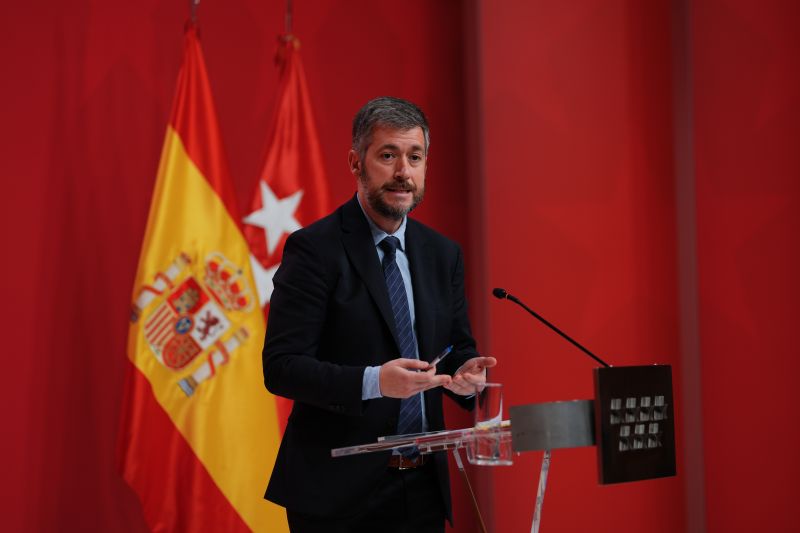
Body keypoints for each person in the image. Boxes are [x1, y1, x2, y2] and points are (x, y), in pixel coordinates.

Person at [262, 96, 496, 533]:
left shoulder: (442, 254)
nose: (403, 171)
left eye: (415, 157)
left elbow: (456, 349)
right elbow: (282, 368)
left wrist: (467, 378)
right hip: (337, 494)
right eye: (388, 156)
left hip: (422, 487)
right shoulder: (314, 250)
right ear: (356, 162)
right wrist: (374, 382)